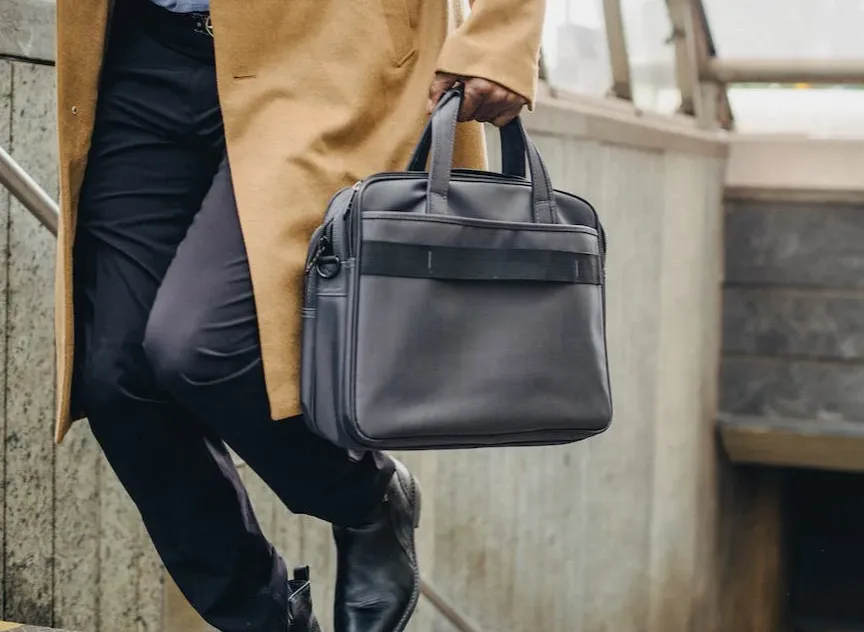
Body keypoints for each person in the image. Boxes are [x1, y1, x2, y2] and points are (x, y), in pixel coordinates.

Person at [51, 0, 545, 630]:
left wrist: (502, 37)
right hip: (144, 48)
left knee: (201, 347)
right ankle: (267, 619)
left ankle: (366, 497)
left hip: (323, 51)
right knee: (116, 378)